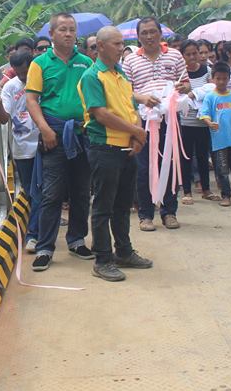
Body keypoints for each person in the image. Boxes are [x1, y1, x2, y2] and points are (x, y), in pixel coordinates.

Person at [77, 26, 153, 281]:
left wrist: (137, 134)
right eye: (117, 44)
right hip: (105, 148)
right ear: (100, 47)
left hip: (127, 148)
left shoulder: (120, 74)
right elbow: (101, 114)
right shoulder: (92, 77)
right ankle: (102, 259)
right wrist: (137, 132)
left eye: (123, 44)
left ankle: (124, 251)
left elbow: (131, 108)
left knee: (122, 204)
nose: (122, 48)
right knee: (103, 206)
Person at [25, 13, 94, 271]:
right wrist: (44, 129)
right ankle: (45, 246)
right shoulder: (40, 63)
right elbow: (32, 100)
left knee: (81, 190)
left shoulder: (86, 62)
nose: (68, 34)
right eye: (62, 29)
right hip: (53, 132)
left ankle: (76, 239)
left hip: (82, 133)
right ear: (52, 34)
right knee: (51, 192)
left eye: (72, 30)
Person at [122, 16, 188, 231]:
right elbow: (125, 92)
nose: (149, 36)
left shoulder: (175, 56)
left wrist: (183, 89)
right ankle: (146, 214)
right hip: (143, 120)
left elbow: (185, 83)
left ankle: (169, 212)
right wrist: (142, 98)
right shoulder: (130, 61)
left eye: (153, 31)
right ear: (138, 36)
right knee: (144, 167)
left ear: (160, 33)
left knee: (169, 162)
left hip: (170, 119)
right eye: (144, 33)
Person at [0, 50, 41, 252]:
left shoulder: (42, 81)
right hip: (23, 147)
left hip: (44, 142)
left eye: (26, 72)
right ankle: (35, 231)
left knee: (41, 190)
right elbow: (4, 118)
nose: (24, 77)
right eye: (20, 73)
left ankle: (34, 234)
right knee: (32, 192)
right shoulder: (10, 87)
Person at [200, 62, 231, 207]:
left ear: (229, 79)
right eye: (218, 78)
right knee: (222, 169)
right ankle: (225, 195)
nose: (221, 81)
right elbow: (204, 114)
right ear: (213, 79)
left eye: (224, 78)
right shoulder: (210, 97)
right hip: (218, 140)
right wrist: (209, 123)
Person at [178, 40, 215, 204]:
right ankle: (187, 191)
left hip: (203, 121)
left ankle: (206, 189)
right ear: (183, 56)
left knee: (202, 156)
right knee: (185, 157)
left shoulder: (207, 71)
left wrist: (193, 93)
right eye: (189, 54)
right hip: (185, 121)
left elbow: (212, 91)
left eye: (196, 53)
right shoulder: (180, 74)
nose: (193, 57)